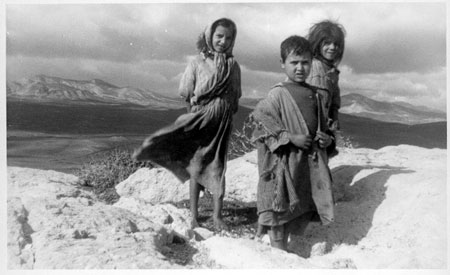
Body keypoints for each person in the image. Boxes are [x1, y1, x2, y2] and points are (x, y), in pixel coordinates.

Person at [133, 18, 241, 231]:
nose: (223, 41)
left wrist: (225, 110)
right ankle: (194, 214)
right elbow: (185, 91)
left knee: (218, 167)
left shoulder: (233, 65)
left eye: (228, 38)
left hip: (221, 124)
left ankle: (218, 216)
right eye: (219, 36)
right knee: (196, 165)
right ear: (210, 36)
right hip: (200, 121)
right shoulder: (197, 63)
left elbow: (236, 94)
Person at [251, 35, 335, 251]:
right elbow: (262, 123)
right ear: (283, 64)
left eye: (305, 62)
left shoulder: (315, 95)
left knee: (296, 208)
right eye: (294, 62)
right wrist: (290, 137)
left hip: (304, 165)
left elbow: (324, 128)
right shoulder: (277, 94)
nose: (300, 68)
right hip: (283, 163)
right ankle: (277, 252)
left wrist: (327, 139)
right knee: (278, 208)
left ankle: (285, 248)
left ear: (312, 64)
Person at [306, 20, 346, 132]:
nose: (332, 47)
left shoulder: (330, 71)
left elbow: (333, 102)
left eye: (336, 44)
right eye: (327, 43)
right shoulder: (314, 69)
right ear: (317, 43)